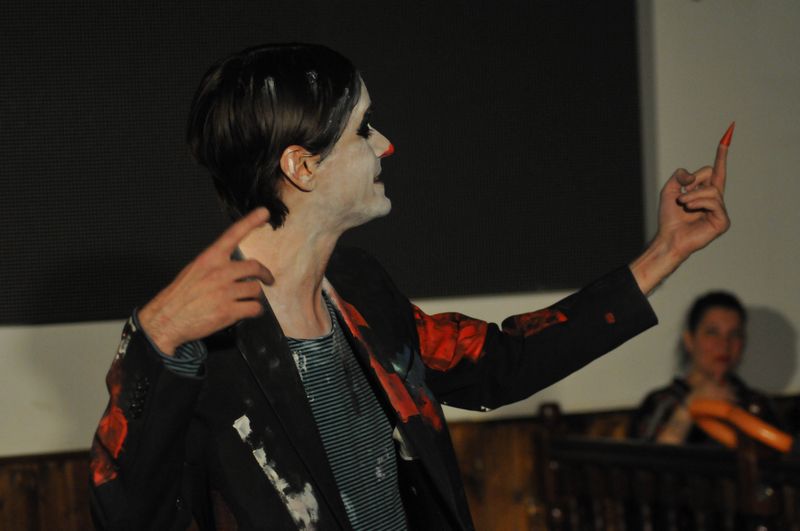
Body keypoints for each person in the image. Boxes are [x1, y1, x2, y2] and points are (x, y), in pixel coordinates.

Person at [89, 43, 732, 530]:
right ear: (302, 165)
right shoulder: (196, 333)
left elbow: (498, 364)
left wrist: (666, 251)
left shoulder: (359, 287)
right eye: (363, 129)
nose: (386, 145)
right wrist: (158, 337)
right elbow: (125, 513)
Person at [630, 292, 784, 445]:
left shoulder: (755, 403)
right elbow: (646, 458)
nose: (724, 344)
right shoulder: (662, 402)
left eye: (734, 334)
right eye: (712, 333)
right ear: (689, 340)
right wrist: (689, 407)